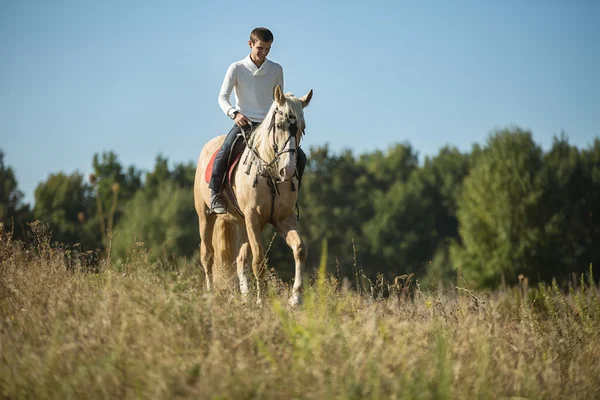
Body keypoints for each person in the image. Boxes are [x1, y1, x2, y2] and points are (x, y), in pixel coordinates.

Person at [209, 27, 306, 214]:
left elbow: (278, 101)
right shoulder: (236, 68)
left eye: (268, 49)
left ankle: (290, 199)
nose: (263, 53)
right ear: (250, 44)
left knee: (300, 156)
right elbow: (222, 97)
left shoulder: (276, 69)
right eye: (260, 48)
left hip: (270, 126)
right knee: (225, 150)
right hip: (244, 123)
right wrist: (234, 113)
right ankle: (214, 193)